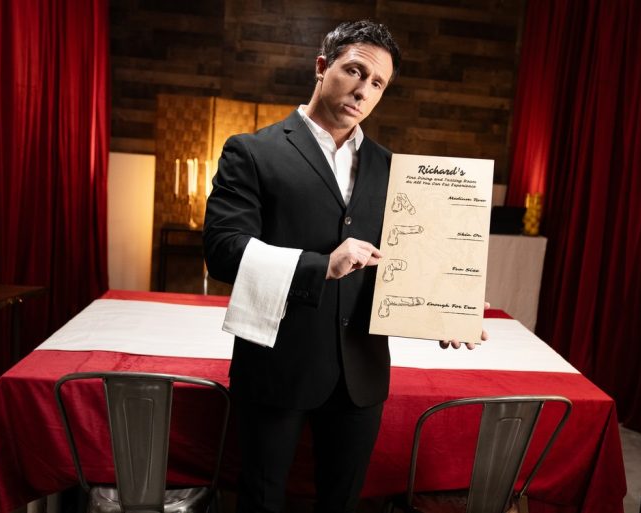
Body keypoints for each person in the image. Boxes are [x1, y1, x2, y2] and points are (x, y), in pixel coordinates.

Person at [203, 20, 485, 513]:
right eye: (355, 71)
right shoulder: (252, 151)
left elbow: (409, 261)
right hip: (276, 368)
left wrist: (445, 309)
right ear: (322, 66)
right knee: (260, 501)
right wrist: (321, 266)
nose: (363, 90)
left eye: (377, 83)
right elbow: (224, 251)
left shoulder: (394, 169)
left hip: (361, 374)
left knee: (344, 504)